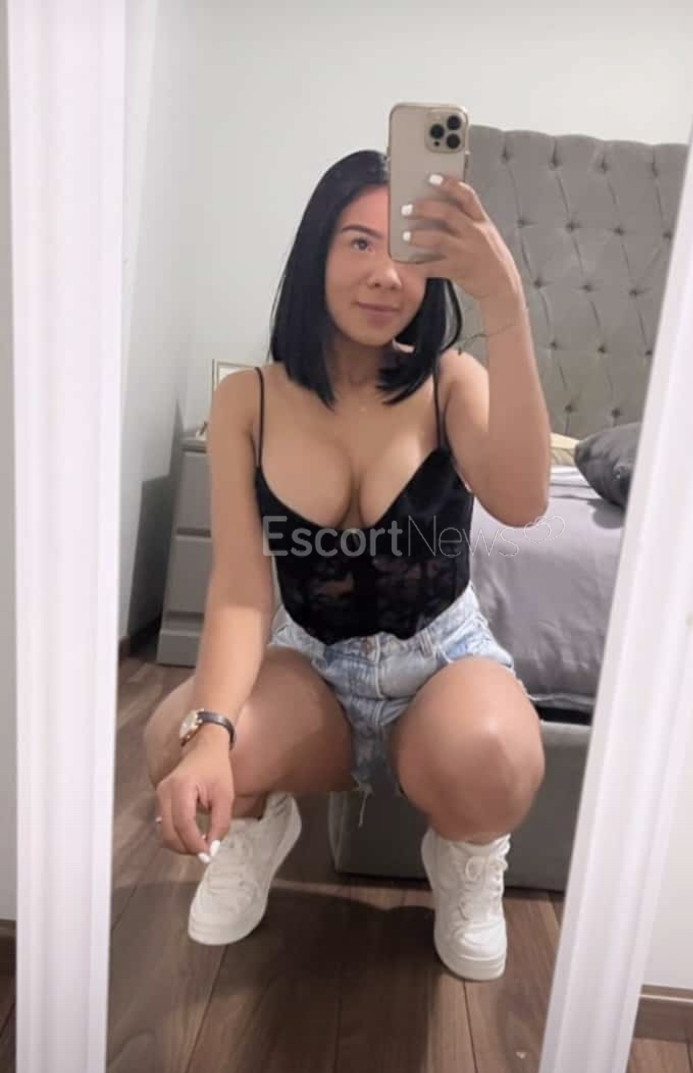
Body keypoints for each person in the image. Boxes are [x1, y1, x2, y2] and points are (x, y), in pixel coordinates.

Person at [143, 149, 550, 982]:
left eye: (406, 250)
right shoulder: (248, 399)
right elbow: (241, 589)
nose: (385, 274)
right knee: (171, 741)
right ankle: (255, 826)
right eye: (358, 242)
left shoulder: (451, 382)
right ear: (315, 254)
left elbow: (523, 501)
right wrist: (214, 732)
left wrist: (505, 303)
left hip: (440, 658)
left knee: (495, 754)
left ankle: (466, 857)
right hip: (311, 663)